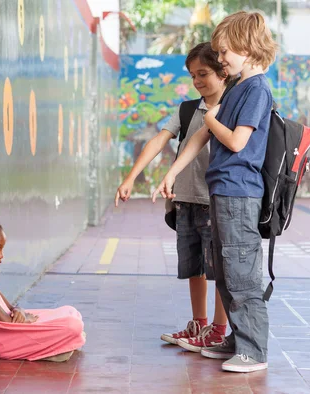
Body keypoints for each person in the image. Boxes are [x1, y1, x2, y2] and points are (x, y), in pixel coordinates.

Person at [155, 11, 278, 373]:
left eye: (225, 51)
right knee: (224, 271)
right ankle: (234, 340)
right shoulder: (240, 86)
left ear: (248, 47)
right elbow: (199, 137)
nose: (220, 58)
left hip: (240, 194)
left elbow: (238, 141)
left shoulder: (256, 89)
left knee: (241, 274)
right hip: (222, 192)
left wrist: (210, 118)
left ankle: (254, 351)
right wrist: (174, 172)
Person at [116, 42, 229, 352]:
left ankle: (219, 331)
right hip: (184, 200)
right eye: (193, 75)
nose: (197, 81)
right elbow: (158, 140)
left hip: (215, 201)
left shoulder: (232, 108)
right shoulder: (188, 109)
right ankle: (199, 324)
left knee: (217, 268)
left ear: (223, 71)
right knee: (193, 265)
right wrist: (131, 177)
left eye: (203, 73)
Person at [0, 209, 85, 362]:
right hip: (6, 340)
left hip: (13, 328)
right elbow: (4, 320)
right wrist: (23, 317)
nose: (1, 255)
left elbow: (9, 308)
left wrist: (19, 311)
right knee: (72, 325)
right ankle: (54, 347)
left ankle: (58, 344)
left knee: (70, 312)